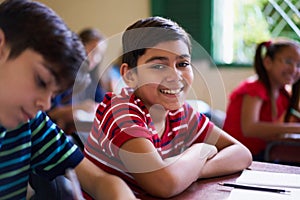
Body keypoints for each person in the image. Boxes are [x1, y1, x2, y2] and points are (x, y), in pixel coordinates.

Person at [84, 16, 252, 199]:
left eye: (182, 64)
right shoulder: (120, 112)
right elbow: (164, 184)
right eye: (158, 65)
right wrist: (201, 150)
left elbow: (242, 153)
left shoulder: (180, 113)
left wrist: (193, 169)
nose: (175, 75)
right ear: (130, 75)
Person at [0, 0, 137, 199]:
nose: (46, 104)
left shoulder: (30, 123)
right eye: (41, 80)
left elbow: (100, 180)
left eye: (54, 94)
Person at [223, 38, 300, 161]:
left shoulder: (283, 94)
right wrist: (296, 128)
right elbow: (249, 128)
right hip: (237, 155)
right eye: (288, 61)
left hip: (260, 153)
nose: (294, 69)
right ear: (268, 62)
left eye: (298, 65)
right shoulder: (254, 88)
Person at [48, 28, 107, 134]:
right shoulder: (63, 74)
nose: (96, 58)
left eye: (100, 55)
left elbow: (101, 103)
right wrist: (79, 107)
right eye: (94, 51)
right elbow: (50, 112)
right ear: (80, 46)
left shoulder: (93, 77)